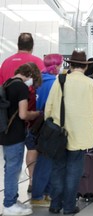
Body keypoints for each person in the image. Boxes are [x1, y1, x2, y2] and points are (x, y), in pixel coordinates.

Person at [45, 50, 93, 214]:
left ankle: (55, 204)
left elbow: (48, 108)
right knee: (74, 171)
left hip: (59, 133)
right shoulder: (91, 84)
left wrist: (52, 123)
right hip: (80, 135)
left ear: (70, 65)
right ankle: (69, 206)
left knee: (58, 169)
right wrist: (86, 123)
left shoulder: (60, 80)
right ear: (84, 67)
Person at [0, 32, 45, 193]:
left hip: (8, 119)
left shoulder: (5, 63)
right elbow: (42, 86)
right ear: (32, 47)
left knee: (11, 161)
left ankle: (12, 193)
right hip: (30, 116)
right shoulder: (37, 62)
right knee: (32, 149)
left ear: (17, 45)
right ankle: (32, 181)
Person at [0, 63, 41, 216]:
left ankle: (12, 200)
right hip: (15, 134)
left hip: (5, 132)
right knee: (13, 169)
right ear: (30, 75)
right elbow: (23, 114)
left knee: (9, 167)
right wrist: (35, 114)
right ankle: (9, 204)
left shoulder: (7, 83)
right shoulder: (22, 88)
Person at [30, 54, 64, 207]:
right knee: (46, 162)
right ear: (56, 65)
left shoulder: (39, 81)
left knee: (44, 160)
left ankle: (44, 193)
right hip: (50, 126)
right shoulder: (54, 84)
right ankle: (38, 195)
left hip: (37, 126)